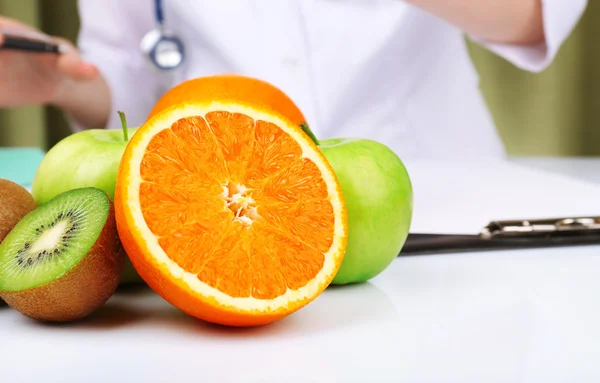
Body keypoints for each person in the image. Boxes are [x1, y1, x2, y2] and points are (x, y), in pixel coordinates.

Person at [0, 0, 588, 160]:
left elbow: (533, 13)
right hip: (237, 210)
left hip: (436, 199)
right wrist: (61, 83)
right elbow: (130, 82)